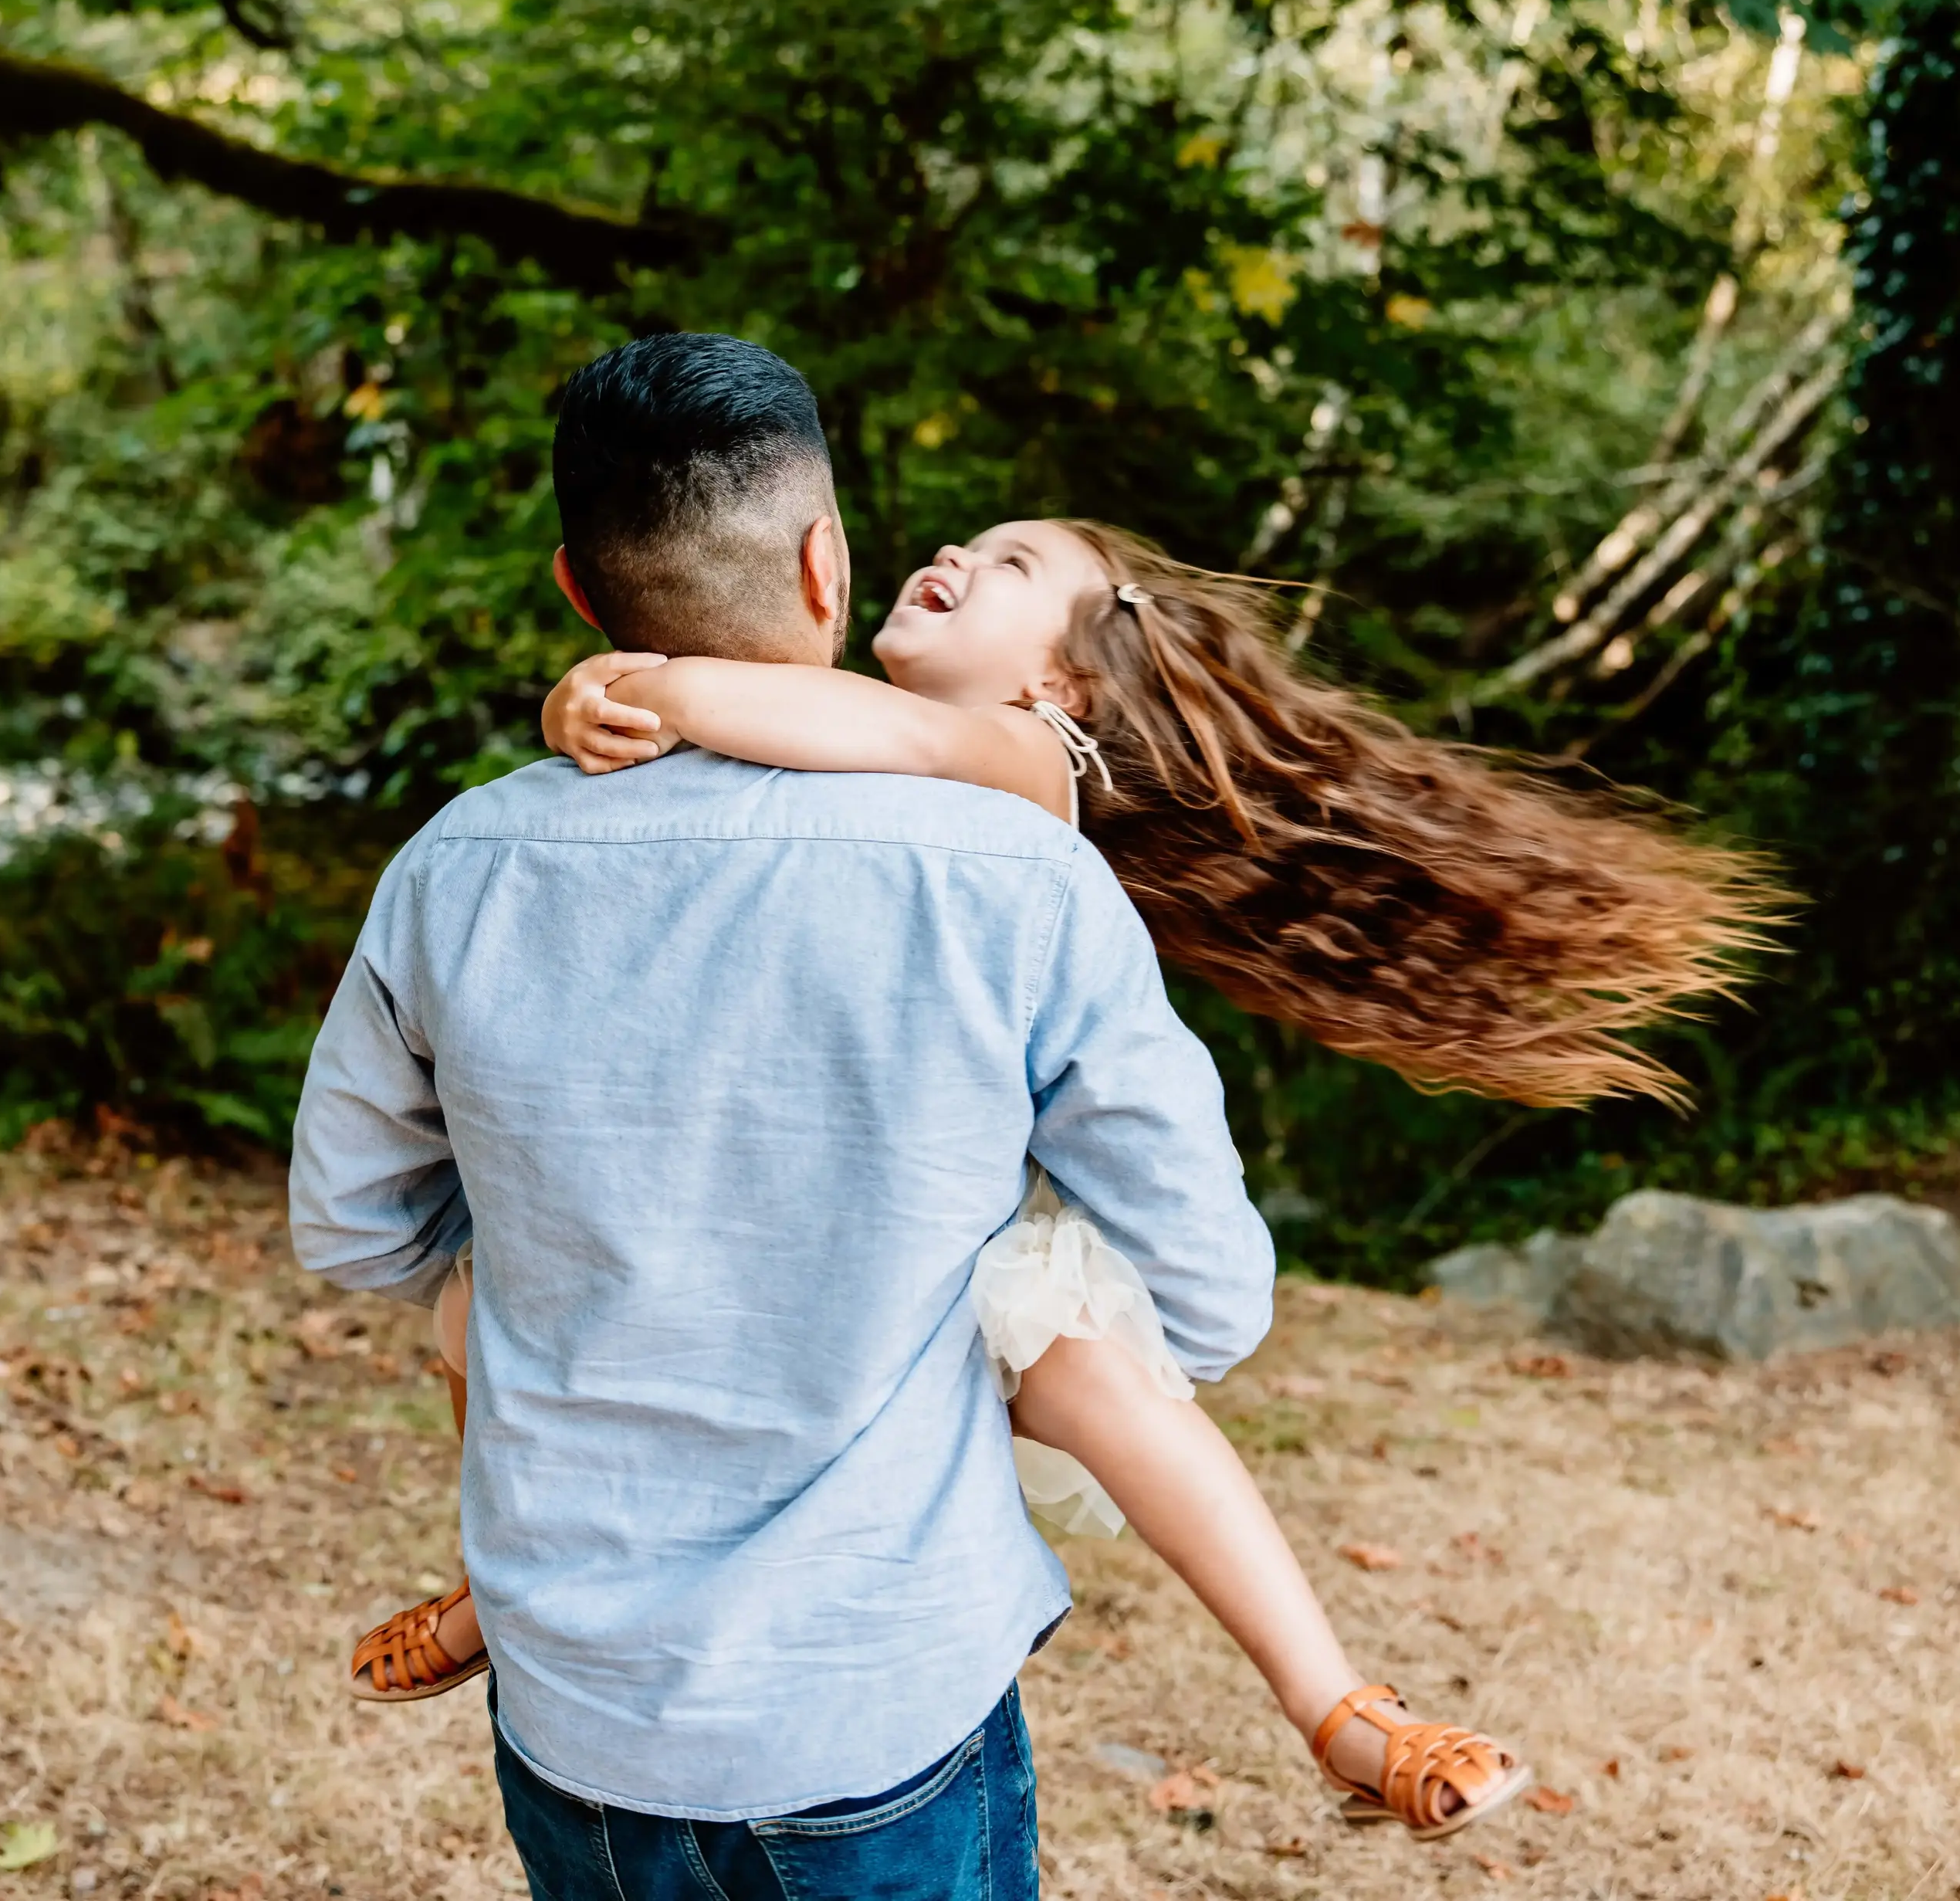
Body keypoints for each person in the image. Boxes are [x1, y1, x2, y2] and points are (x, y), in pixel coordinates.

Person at [330, 412, 1777, 1855]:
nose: (961, 548)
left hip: (989, 1251)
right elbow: (832, 733)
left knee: (1079, 1368)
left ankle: (1336, 1702)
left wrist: (623, 686)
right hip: (891, 1381)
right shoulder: (947, 799)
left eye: (1015, 563)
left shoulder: (1025, 757)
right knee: (481, 1297)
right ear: (825, 565)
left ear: (1068, 677)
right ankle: (487, 1582)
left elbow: (863, 726)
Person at [292, 332, 1278, 1899]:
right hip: (872, 1684)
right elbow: (1211, 1302)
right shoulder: (1013, 879)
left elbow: (354, 1232)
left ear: (575, 587)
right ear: (826, 560)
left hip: (580, 1703)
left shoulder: (457, 867)